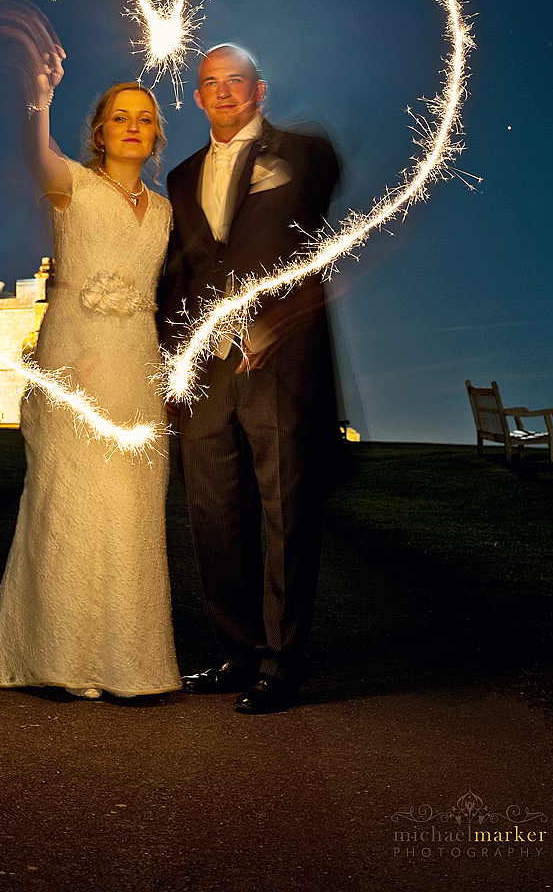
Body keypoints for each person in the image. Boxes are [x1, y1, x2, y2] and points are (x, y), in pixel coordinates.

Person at [0, 41, 181, 700]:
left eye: (144, 117)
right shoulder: (71, 185)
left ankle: (132, 666)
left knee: (133, 507)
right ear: (100, 132)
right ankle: (54, 656)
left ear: (156, 134)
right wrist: (40, 98)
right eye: (120, 117)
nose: (133, 126)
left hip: (136, 365)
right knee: (66, 501)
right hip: (75, 360)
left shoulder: (166, 210)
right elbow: (37, 155)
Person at [157, 44, 340, 714]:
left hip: (274, 360)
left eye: (236, 81)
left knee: (285, 510)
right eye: (211, 83)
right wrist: (172, 360)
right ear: (197, 98)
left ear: (258, 91)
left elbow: (304, 242)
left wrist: (277, 318)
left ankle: (281, 663)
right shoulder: (178, 178)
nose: (224, 92)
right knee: (212, 513)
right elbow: (178, 275)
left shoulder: (304, 155)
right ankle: (235, 651)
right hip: (202, 371)